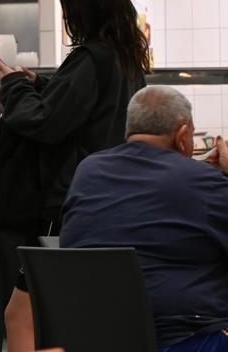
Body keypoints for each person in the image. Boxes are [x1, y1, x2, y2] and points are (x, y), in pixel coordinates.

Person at [0, 0, 150, 352]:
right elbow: (84, 109)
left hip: (74, 206)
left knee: (26, 313)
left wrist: (12, 86)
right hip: (117, 201)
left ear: (82, 10)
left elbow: (45, 122)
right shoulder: (127, 59)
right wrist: (42, 84)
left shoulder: (90, 58)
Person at [61, 85, 228, 352]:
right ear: (183, 135)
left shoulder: (88, 171)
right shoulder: (203, 182)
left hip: (94, 337)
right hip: (184, 340)